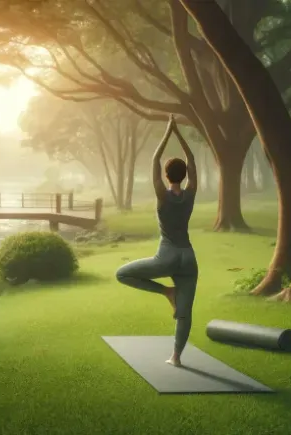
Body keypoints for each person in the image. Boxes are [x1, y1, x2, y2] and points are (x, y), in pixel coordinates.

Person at [115, 114, 198, 368]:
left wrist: (168, 131)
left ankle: (165, 291)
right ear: (184, 176)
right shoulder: (190, 193)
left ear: (165, 175)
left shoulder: (162, 195)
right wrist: (181, 135)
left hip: (167, 256)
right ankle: (176, 358)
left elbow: (154, 159)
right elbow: (192, 160)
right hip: (188, 258)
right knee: (184, 314)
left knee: (122, 274)